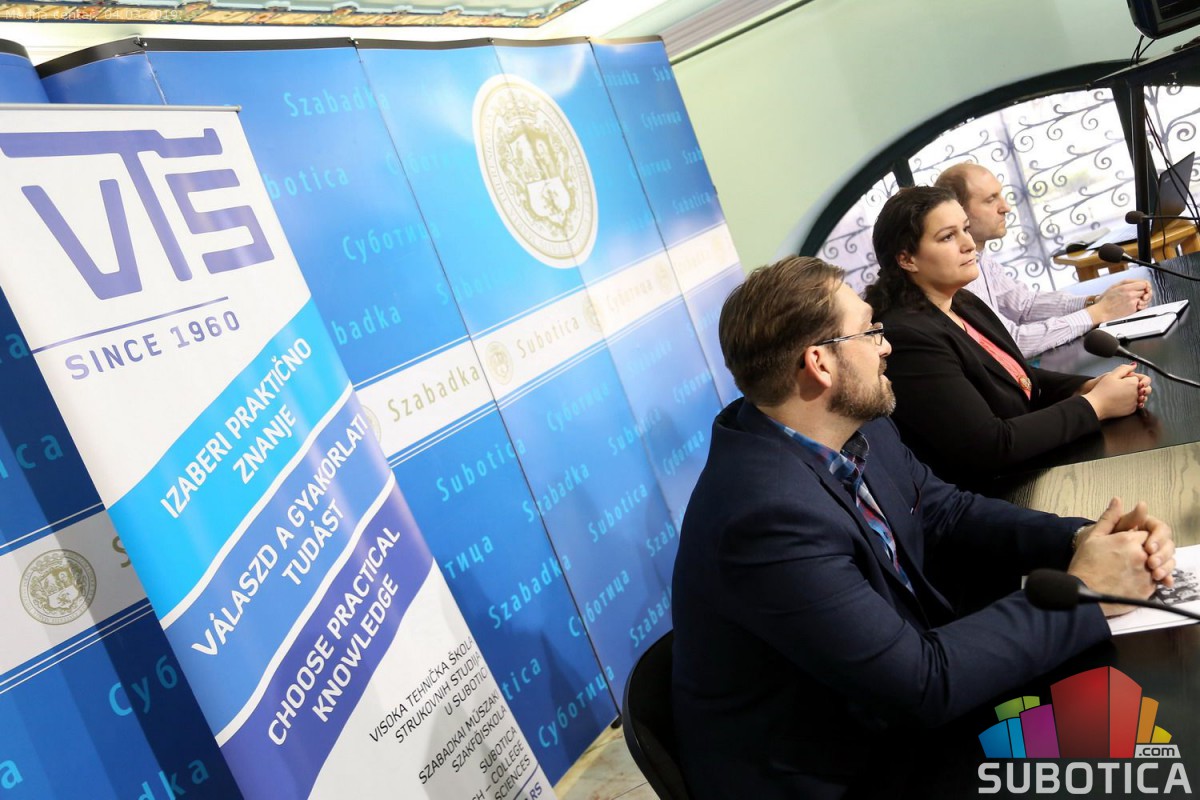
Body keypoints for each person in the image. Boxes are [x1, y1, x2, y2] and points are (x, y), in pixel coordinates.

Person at [670, 255, 1175, 800]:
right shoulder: (763, 517)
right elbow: (922, 685)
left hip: (893, 710)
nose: (886, 345)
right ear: (819, 363)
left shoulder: (855, 426)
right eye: (869, 332)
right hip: (841, 773)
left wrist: (1083, 540)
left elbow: (944, 510)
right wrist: (1087, 590)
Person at [864, 186, 1150, 491]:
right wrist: (1095, 405)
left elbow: (1015, 377)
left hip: (1032, 465)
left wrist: (1084, 387)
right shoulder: (906, 337)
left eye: (965, 229)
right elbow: (989, 446)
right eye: (947, 237)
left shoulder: (962, 301)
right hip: (997, 491)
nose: (968, 244)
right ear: (907, 259)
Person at [936, 163, 1152, 357]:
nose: (1006, 207)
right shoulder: (958, 274)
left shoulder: (981, 258)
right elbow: (1012, 342)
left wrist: (1095, 301)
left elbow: (1025, 306)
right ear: (957, 211)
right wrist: (1099, 312)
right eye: (991, 199)